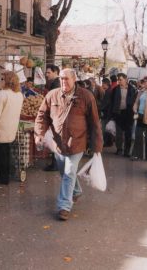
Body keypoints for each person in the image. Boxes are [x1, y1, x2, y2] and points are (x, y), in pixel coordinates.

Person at [34, 68, 103, 221]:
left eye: (66, 79)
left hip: (78, 142)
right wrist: (39, 134)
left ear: (74, 79)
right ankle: (76, 191)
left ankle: (64, 206)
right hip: (58, 143)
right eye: (61, 79)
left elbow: (95, 122)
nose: (63, 82)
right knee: (64, 172)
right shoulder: (52, 95)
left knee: (69, 172)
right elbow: (42, 116)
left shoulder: (86, 96)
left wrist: (97, 146)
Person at [0, 71, 24, 184]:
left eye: (1, 79)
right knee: (6, 153)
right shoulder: (19, 95)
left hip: (1, 129)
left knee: (1, 155)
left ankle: (2, 179)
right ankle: (6, 176)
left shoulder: (2, 95)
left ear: (6, 81)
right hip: (11, 129)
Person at [109, 73, 137, 157]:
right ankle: (119, 149)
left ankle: (127, 151)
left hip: (128, 114)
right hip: (118, 113)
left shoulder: (132, 89)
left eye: (120, 80)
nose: (119, 81)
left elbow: (135, 101)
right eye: (118, 80)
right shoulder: (115, 89)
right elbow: (112, 102)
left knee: (128, 133)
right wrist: (112, 115)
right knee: (119, 133)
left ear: (126, 79)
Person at [44, 64, 60, 171]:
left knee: (55, 139)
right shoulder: (55, 83)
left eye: (49, 72)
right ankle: (55, 163)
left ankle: (55, 164)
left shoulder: (56, 83)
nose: (46, 74)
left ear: (55, 72)